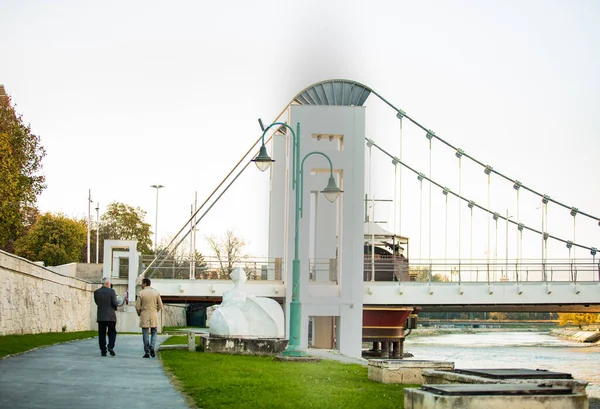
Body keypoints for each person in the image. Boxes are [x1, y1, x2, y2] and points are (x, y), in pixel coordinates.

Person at [136, 278, 163, 358]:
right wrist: (155, 310)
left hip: (144, 314)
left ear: (145, 284)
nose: (141, 285)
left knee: (145, 333)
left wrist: (139, 313)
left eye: (142, 283)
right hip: (153, 314)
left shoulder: (140, 293)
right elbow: (160, 305)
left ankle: (147, 352)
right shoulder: (156, 293)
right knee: (154, 331)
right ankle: (152, 345)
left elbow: (137, 306)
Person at [94, 277, 118, 357]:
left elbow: (97, 302)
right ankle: (110, 346)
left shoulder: (96, 292)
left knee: (102, 334)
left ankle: (103, 350)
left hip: (101, 316)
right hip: (110, 316)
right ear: (108, 283)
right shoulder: (112, 291)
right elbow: (114, 303)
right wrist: (115, 307)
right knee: (112, 332)